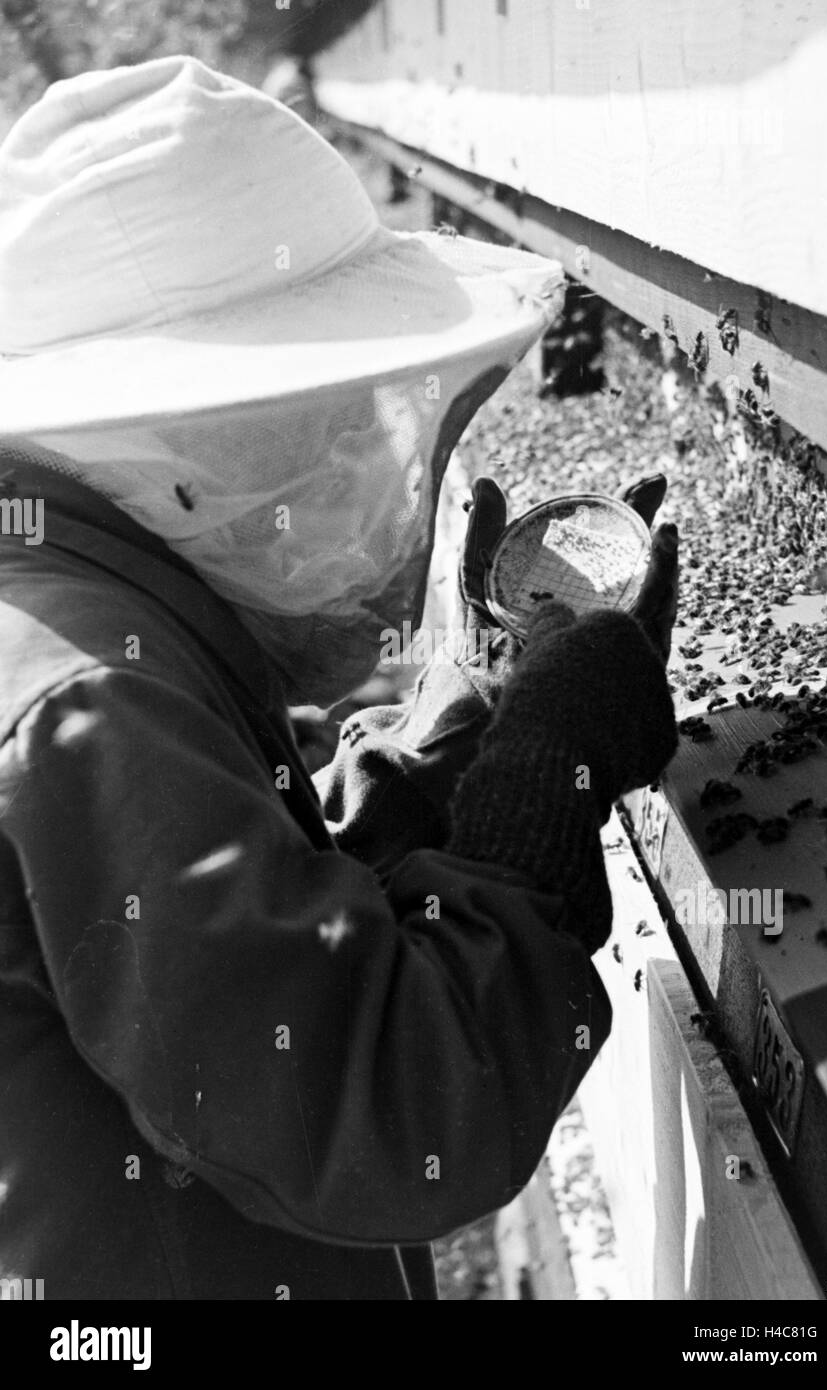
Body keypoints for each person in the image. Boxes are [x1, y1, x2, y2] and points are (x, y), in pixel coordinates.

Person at [0, 56, 678, 1300]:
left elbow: (249, 908)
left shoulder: (72, 602)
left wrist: (467, 725)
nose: (348, 451)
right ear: (182, 432)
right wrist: (540, 793)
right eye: (315, 412)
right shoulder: (86, 696)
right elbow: (394, 1098)